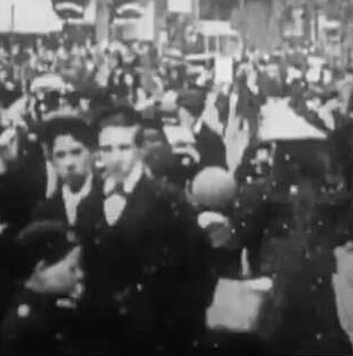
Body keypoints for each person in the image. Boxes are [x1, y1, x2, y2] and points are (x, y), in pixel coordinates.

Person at [83, 102, 216, 356]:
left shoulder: (168, 200)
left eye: (124, 148)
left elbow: (199, 270)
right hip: (105, 337)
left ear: (140, 150)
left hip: (159, 335)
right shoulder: (91, 203)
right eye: (107, 149)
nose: (116, 158)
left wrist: (181, 328)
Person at [0, 220, 84, 356]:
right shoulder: (26, 326)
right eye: (72, 268)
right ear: (41, 270)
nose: (80, 275)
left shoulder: (57, 307)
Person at [33, 113, 103, 241]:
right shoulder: (44, 212)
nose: (69, 163)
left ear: (93, 152)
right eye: (60, 155)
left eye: (76, 152)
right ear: (52, 160)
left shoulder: (110, 199)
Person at [177, 88, 227, 170]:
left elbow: (220, 173)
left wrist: (196, 158)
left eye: (181, 111)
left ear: (189, 114)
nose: (179, 116)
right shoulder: (182, 136)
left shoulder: (213, 140)